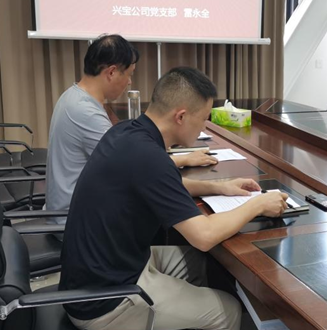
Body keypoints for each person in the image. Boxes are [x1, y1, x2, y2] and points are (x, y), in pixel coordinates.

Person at [59, 66, 289, 330]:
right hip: (105, 298)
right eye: (203, 118)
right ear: (181, 116)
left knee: (191, 262)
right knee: (226, 311)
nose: (204, 127)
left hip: (104, 268)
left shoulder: (130, 134)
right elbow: (204, 236)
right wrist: (257, 204)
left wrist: (221, 187)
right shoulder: (147, 154)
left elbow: (164, 182)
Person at [45, 34, 217, 219]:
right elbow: (133, 165)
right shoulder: (86, 112)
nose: (129, 82)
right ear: (111, 72)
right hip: (74, 217)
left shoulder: (73, 96)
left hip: (74, 205)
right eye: (129, 74)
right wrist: (184, 160)